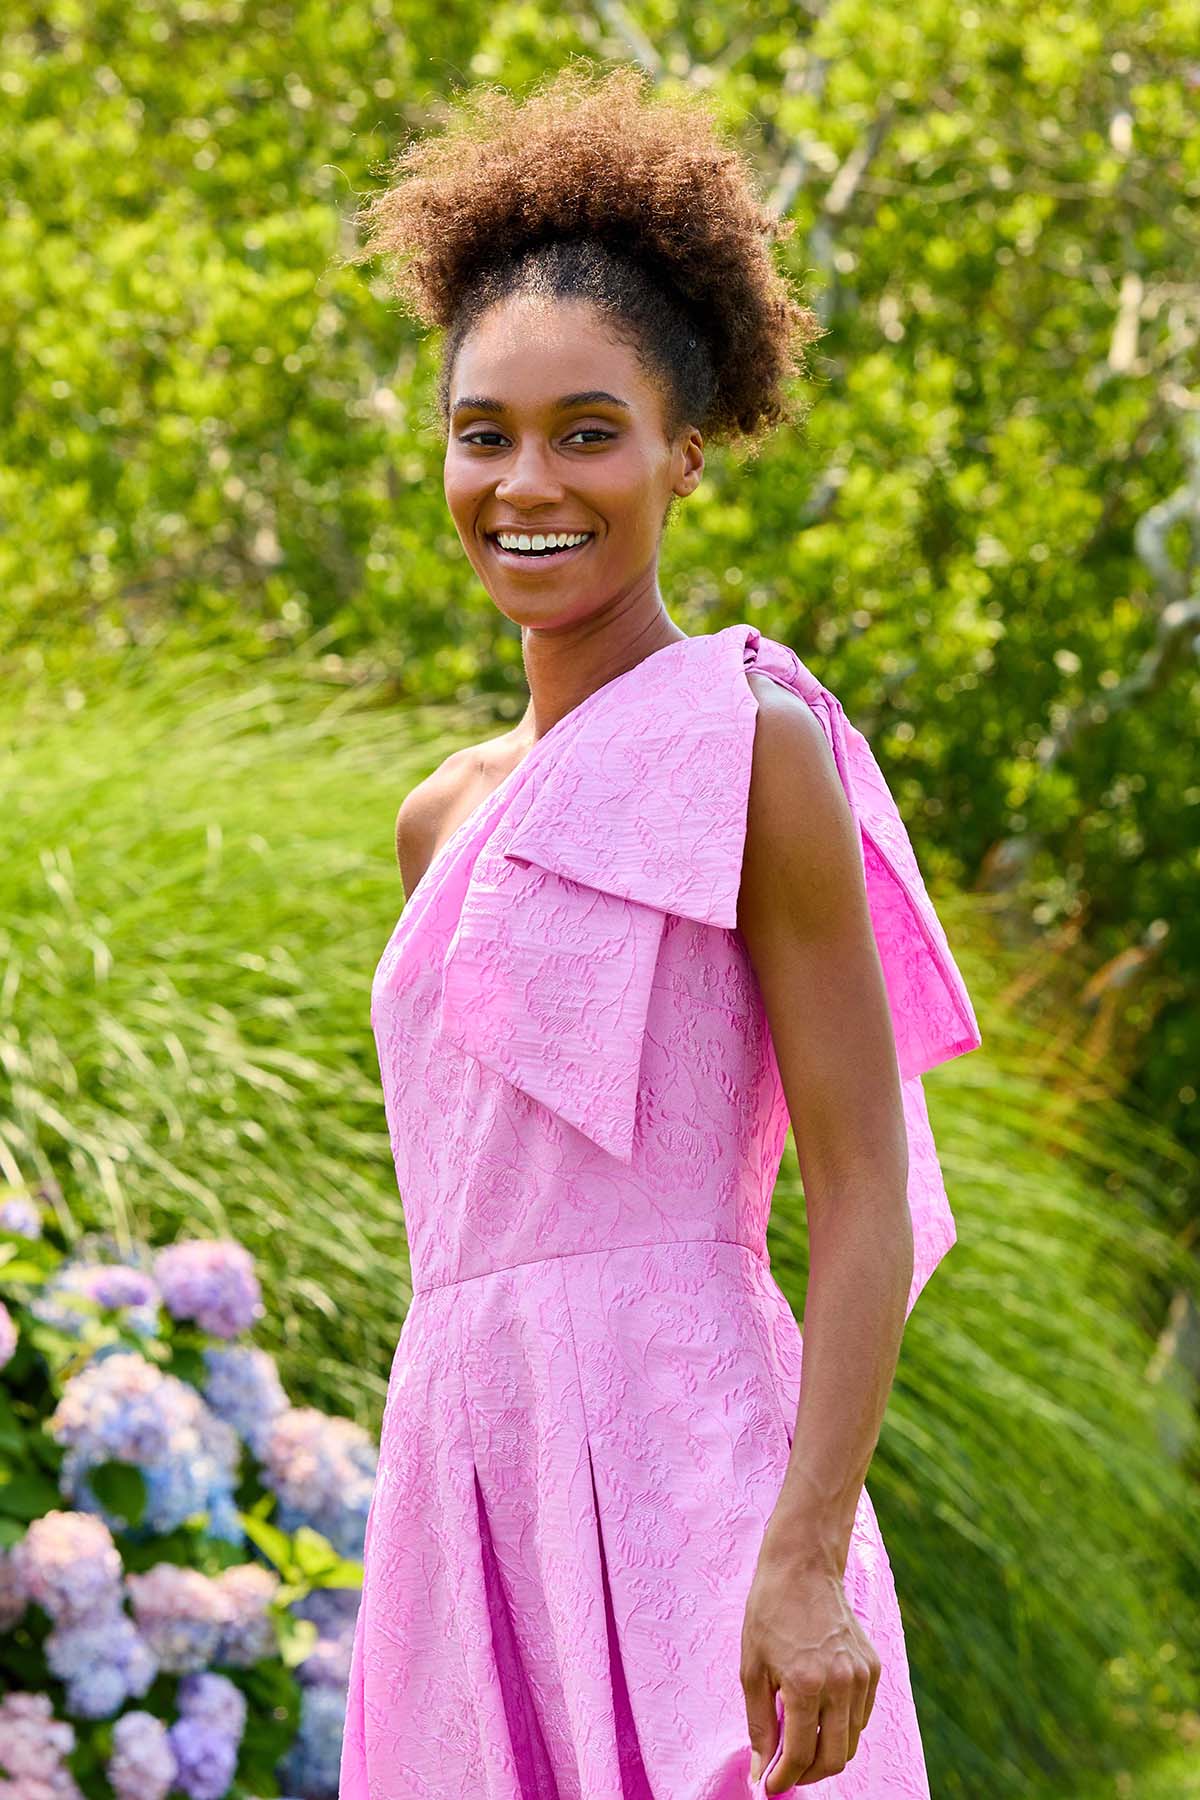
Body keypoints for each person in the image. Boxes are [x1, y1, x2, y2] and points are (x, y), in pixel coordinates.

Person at [337, 61, 981, 1800]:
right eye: (484, 432)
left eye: (586, 430)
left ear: (686, 450)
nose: (525, 481)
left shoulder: (750, 742)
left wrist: (805, 1555)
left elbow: (863, 1190)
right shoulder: (441, 816)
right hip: (467, 1481)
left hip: (692, 1472)